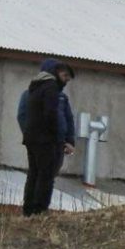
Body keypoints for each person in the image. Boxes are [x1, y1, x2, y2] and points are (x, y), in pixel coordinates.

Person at [21, 60, 75, 216]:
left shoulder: (36, 86)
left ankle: (28, 210)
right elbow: (51, 114)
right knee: (46, 175)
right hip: (46, 140)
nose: (66, 80)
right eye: (65, 76)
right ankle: (39, 210)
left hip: (32, 138)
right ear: (56, 72)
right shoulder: (51, 87)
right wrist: (59, 139)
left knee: (34, 174)